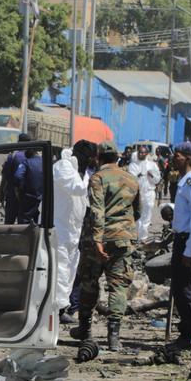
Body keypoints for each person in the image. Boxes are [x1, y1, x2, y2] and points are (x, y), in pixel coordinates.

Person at [71, 140, 141, 351]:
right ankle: (114, 337)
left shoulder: (98, 178)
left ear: (98, 158)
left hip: (98, 241)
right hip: (122, 240)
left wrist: (98, 239)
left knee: (89, 283)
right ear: (117, 158)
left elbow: (97, 211)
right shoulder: (131, 179)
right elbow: (137, 212)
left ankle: (85, 330)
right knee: (118, 286)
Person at [166, 142, 191, 356]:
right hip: (181, 239)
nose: (175, 159)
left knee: (184, 290)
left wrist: (189, 251)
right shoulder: (184, 181)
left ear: (189, 158)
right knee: (185, 288)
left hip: (186, 240)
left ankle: (190, 331)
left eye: (179, 156)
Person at [53, 140, 98, 320]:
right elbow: (77, 189)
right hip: (59, 226)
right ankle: (56, 308)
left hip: (73, 228)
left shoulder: (82, 171)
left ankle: (63, 305)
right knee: (60, 268)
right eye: (88, 158)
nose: (90, 162)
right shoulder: (63, 166)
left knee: (71, 268)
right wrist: (94, 179)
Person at [127, 143, 162, 240]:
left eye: (143, 153)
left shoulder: (152, 165)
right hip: (136, 194)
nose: (141, 154)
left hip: (149, 193)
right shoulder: (133, 165)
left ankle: (143, 238)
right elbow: (130, 178)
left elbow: (157, 179)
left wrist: (152, 175)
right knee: (137, 215)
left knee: (147, 216)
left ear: (147, 154)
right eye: (140, 152)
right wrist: (138, 176)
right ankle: (136, 237)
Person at [1, 134, 32, 224]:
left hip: (12, 196)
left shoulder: (13, 156)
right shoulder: (33, 156)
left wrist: (1, 191)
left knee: (8, 224)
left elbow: (5, 176)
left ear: (19, 142)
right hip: (27, 197)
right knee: (24, 225)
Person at [13, 148, 46, 225]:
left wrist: (19, 188)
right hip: (43, 198)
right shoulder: (46, 162)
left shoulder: (26, 162)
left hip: (29, 198)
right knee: (40, 222)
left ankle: (25, 237)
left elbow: (17, 176)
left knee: (24, 221)